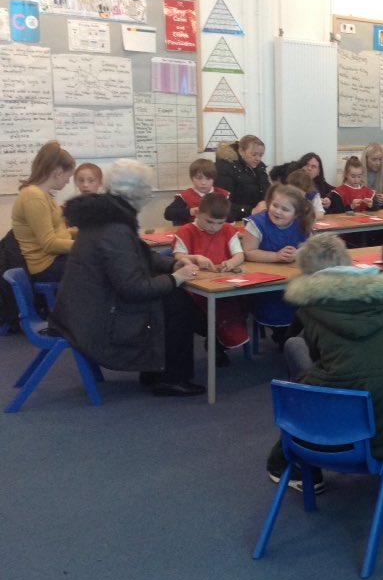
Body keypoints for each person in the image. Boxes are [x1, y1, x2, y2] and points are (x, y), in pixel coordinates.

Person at [265, 234, 383, 492]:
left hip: (347, 431)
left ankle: (295, 464)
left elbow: (320, 362)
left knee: (298, 356)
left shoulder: (311, 309)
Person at [49, 159, 205, 397]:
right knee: (177, 303)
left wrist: (174, 263)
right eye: (148, 190)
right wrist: (175, 278)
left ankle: (157, 369)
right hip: (97, 319)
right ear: (138, 194)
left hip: (84, 308)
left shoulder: (106, 216)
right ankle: (171, 378)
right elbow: (133, 288)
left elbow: (140, 255)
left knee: (174, 299)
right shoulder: (115, 228)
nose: (150, 194)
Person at [172, 192, 249, 366]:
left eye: (219, 223)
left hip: (224, 286)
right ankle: (214, 342)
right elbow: (177, 255)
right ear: (197, 213)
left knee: (235, 306)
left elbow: (239, 255)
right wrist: (195, 257)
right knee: (207, 314)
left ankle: (219, 343)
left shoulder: (228, 230)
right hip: (195, 289)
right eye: (209, 222)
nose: (214, 227)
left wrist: (230, 262)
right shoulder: (186, 231)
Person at [241, 183, 314, 334]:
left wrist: (298, 253)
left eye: (285, 209)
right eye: (275, 205)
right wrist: (276, 256)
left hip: (294, 281)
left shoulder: (302, 224)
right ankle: (284, 337)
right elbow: (248, 252)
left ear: (296, 214)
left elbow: (311, 248)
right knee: (277, 310)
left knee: (308, 307)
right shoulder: (257, 223)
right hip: (263, 284)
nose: (278, 211)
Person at [11, 141, 76, 283]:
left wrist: (81, 233)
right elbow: (49, 244)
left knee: (101, 260)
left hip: (56, 259)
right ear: (58, 173)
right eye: (68, 177)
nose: (67, 182)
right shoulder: (33, 197)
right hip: (46, 267)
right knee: (99, 265)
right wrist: (84, 244)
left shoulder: (44, 194)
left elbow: (58, 233)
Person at [215, 136, 271, 221]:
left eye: (261, 155)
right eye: (254, 154)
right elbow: (222, 204)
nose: (258, 159)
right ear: (241, 151)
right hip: (237, 220)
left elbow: (267, 191)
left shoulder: (259, 167)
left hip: (258, 218)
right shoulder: (225, 168)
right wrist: (251, 211)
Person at [164, 157, 231, 226]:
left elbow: (231, 216)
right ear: (192, 178)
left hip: (217, 230)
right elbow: (168, 213)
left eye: (208, 179)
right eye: (199, 178)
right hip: (193, 233)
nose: (203, 182)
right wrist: (190, 211)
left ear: (214, 178)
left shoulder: (222, 195)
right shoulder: (185, 196)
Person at [363, 142, 383, 208]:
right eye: (374, 159)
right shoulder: (358, 171)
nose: (378, 163)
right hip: (360, 210)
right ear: (366, 159)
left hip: (379, 210)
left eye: (380, 159)